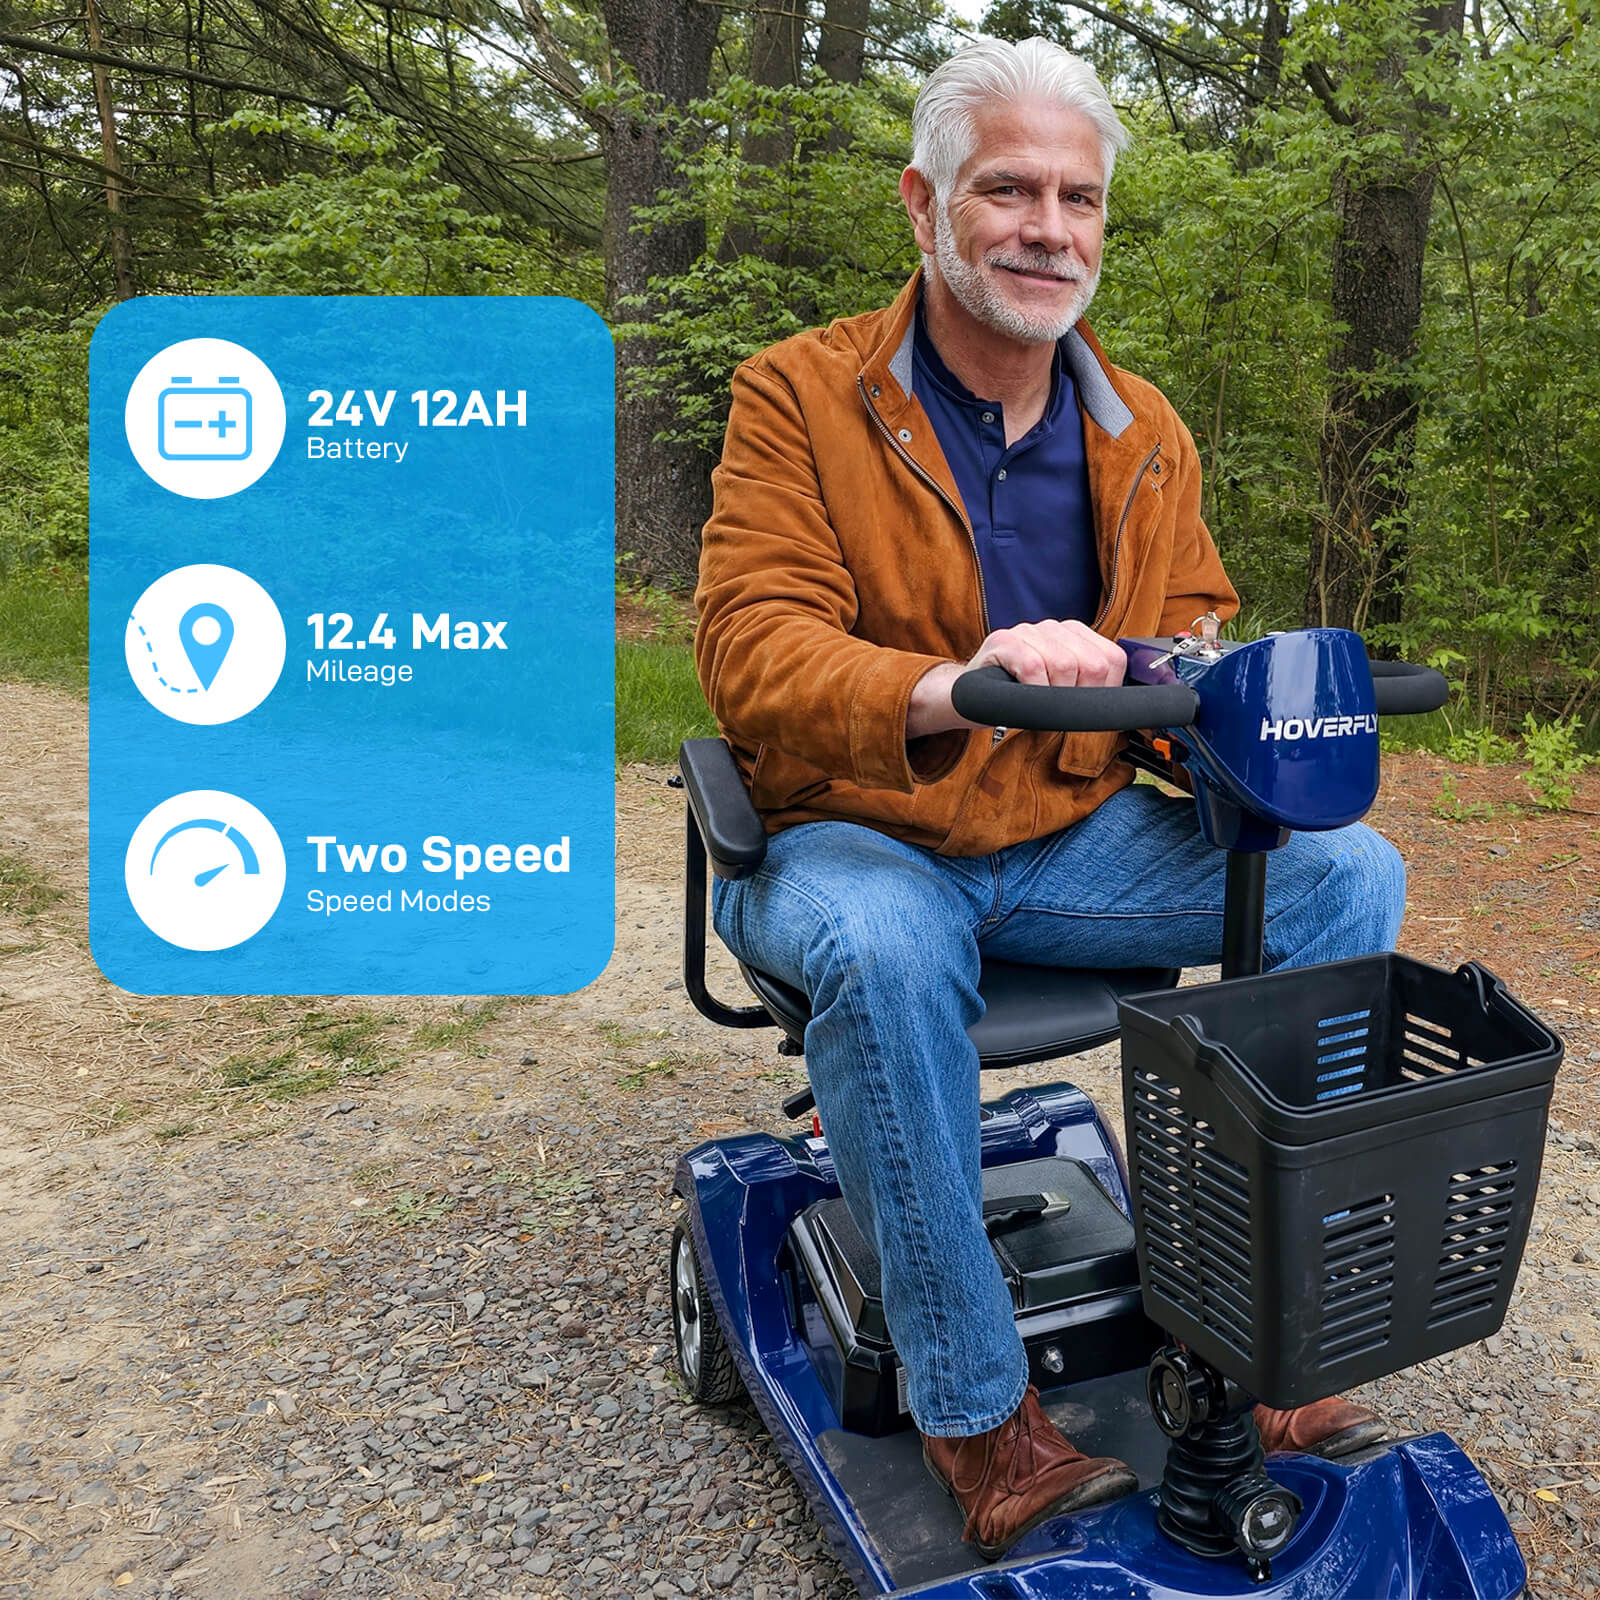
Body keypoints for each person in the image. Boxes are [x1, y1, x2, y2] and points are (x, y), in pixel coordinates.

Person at [695, 36, 1397, 1560]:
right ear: (925, 203)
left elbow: (1194, 613)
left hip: (1061, 835)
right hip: (849, 831)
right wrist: (956, 677)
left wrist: (1201, 672)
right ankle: (975, 1416)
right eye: (1008, 188)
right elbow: (751, 646)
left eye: (1078, 198)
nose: (1047, 227)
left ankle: (1255, 1321)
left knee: (1349, 874)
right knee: (885, 953)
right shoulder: (799, 397)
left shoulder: (1141, 428)